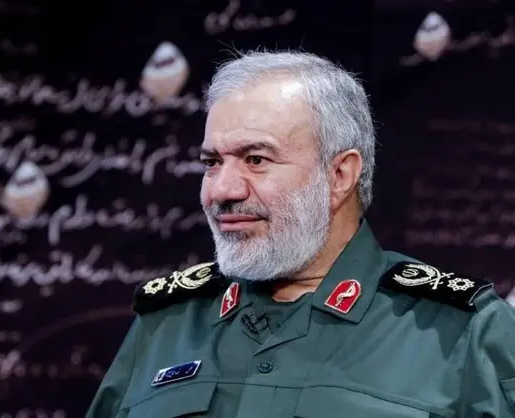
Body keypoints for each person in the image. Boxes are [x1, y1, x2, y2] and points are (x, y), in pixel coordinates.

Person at [85, 50, 515, 418]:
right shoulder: (165, 326)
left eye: (256, 159)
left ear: (340, 175)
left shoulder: (462, 333)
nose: (221, 190)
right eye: (212, 162)